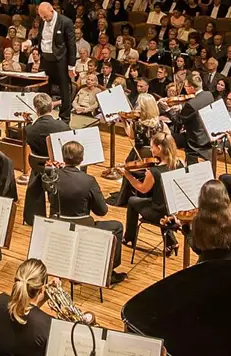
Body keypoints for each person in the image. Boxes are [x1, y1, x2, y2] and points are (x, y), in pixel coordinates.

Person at [50, 140, 125, 284]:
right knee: (117, 227)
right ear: (82, 158)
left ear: (63, 157)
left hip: (58, 226)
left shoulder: (53, 176)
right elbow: (102, 211)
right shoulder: (89, 181)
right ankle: (109, 272)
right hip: (82, 228)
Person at [121, 132, 180, 255]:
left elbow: (142, 189)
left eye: (152, 147)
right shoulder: (179, 163)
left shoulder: (154, 172)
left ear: (159, 148)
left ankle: (129, 237)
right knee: (161, 202)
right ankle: (171, 242)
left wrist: (127, 174)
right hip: (175, 211)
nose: (151, 150)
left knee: (132, 200)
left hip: (160, 213)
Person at [23, 94, 70, 224]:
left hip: (38, 168)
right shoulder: (62, 126)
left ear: (36, 110)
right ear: (51, 107)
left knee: (37, 175)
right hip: (57, 169)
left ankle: (33, 217)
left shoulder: (29, 129)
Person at [189, 180, 231, 262]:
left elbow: (198, 250)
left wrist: (186, 229)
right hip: (230, 269)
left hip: (206, 270)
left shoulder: (197, 222)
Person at [36, 0, 77, 120]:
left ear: (51, 10)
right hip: (45, 59)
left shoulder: (66, 22)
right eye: (42, 17)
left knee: (64, 89)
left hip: (60, 60)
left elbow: (71, 45)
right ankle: (44, 115)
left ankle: (65, 118)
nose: (44, 19)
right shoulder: (43, 21)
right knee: (43, 87)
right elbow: (40, 38)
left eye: (45, 16)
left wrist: (71, 66)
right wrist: (29, 42)